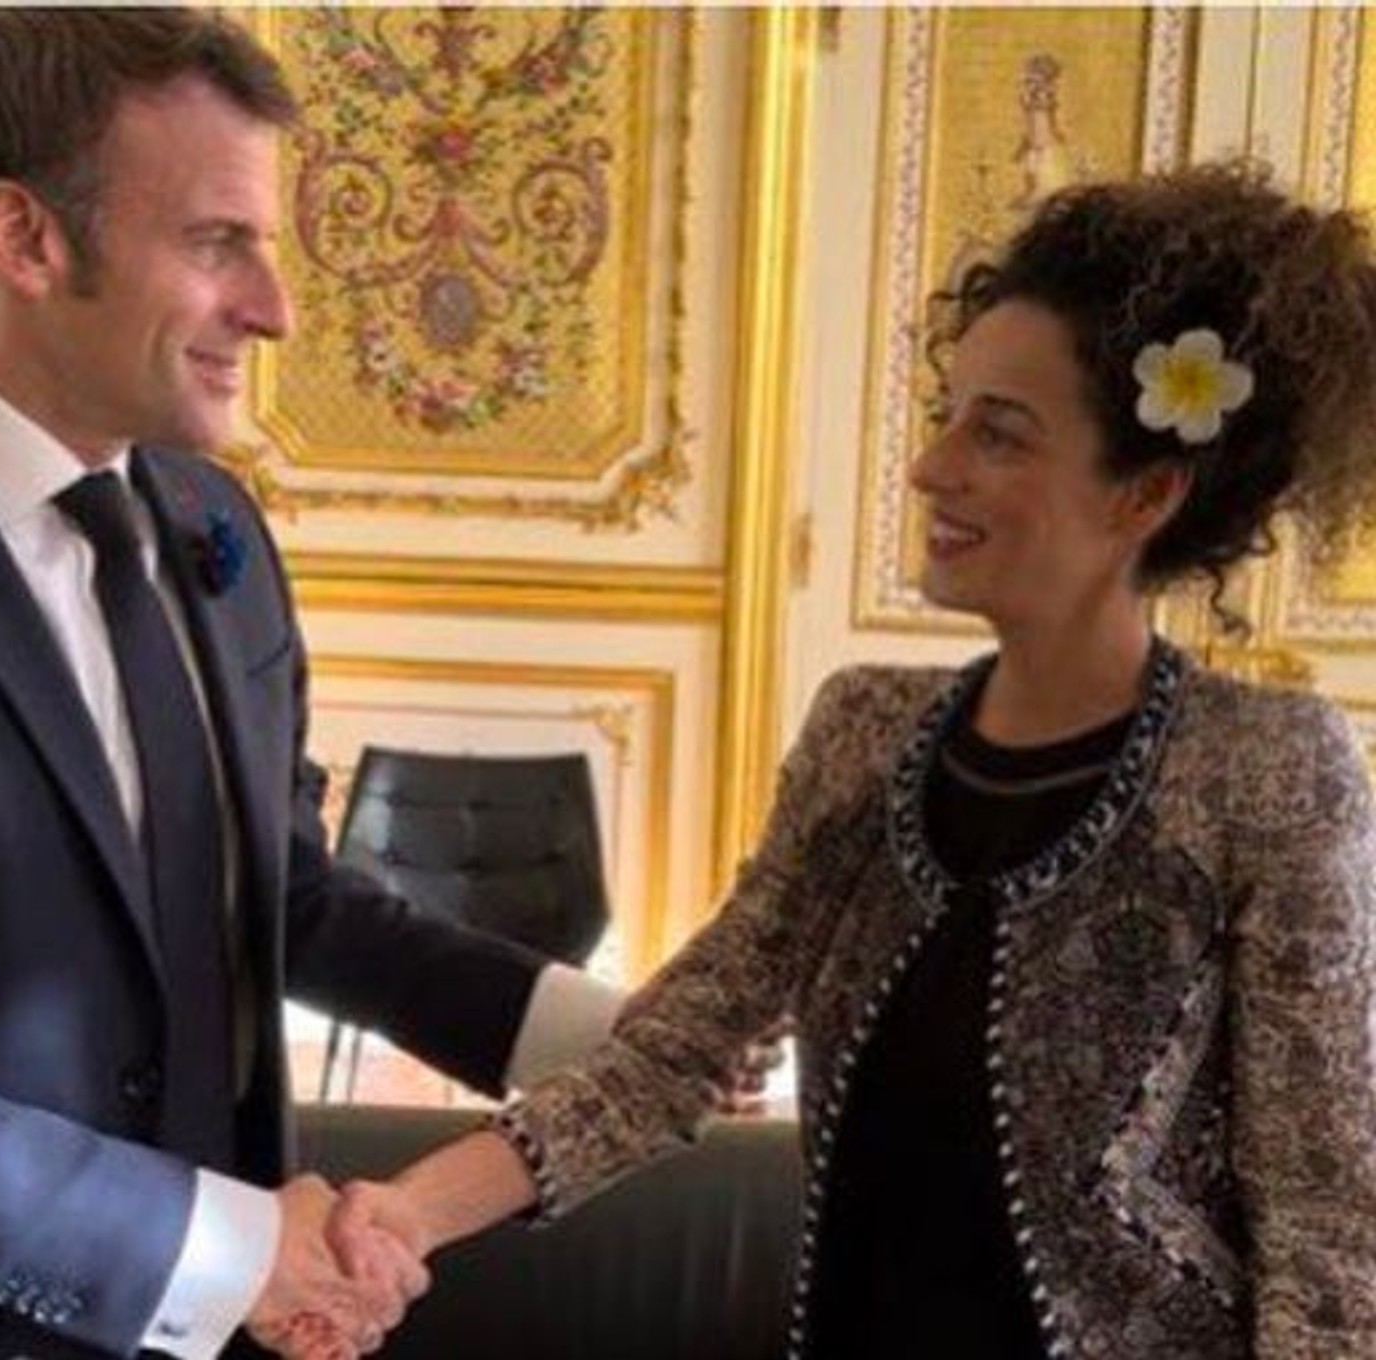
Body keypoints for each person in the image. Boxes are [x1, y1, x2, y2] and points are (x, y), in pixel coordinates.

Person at [320, 162, 1376, 1359]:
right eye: (948, 413)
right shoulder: (863, 731)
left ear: (1144, 492)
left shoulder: (1264, 769)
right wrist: (402, 1215)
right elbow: (669, 1054)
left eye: (999, 433)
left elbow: (1327, 1226)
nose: (932, 466)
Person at [0, 10, 631, 1359]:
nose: (274, 310)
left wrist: (610, 1039)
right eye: (216, 242)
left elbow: (284, 900)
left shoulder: (217, 532)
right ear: (24, 237)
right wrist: (229, 1249)